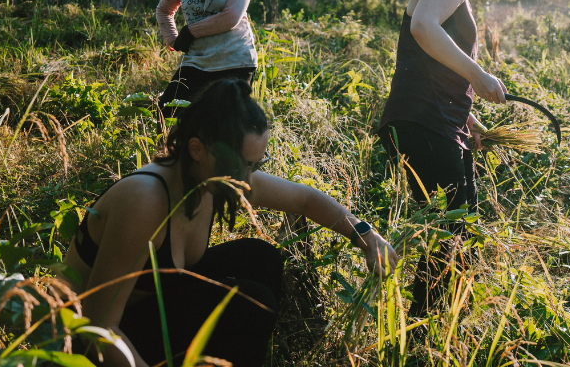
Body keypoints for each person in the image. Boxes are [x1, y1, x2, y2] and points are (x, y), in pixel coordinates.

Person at [62, 79, 398, 367]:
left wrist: (368, 237)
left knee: (259, 259)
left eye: (256, 163)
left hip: (151, 307)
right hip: (92, 340)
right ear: (197, 149)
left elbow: (304, 199)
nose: (248, 177)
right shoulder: (145, 200)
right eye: (241, 165)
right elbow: (97, 328)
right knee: (251, 303)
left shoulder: (212, 178)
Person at [377, 0, 507, 317]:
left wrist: (469, 118)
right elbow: (422, 28)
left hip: (435, 122)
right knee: (452, 232)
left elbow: (427, 66)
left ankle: (442, 323)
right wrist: (479, 76)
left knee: (456, 229)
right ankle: (424, 330)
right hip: (425, 123)